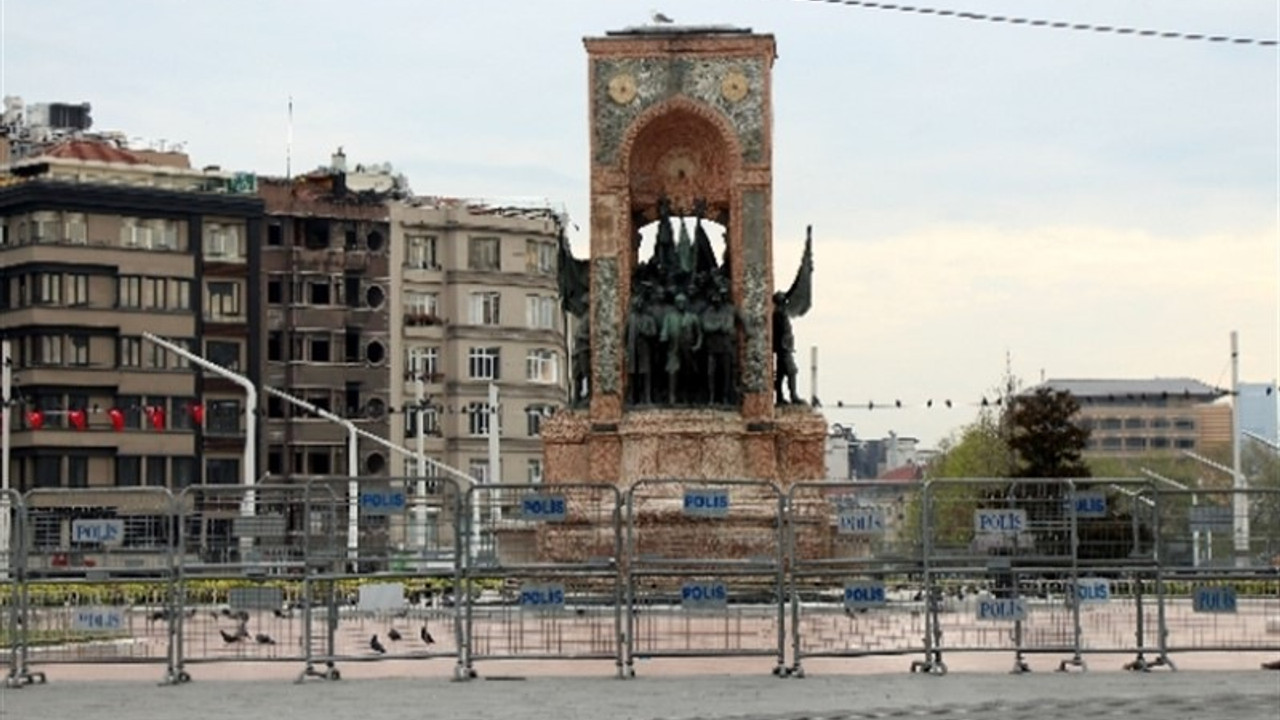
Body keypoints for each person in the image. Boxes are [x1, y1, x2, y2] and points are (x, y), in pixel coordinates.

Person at [659, 293, 702, 405]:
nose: (680, 304)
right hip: (674, 347)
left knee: (688, 373)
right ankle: (672, 396)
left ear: (686, 303)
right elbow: (664, 330)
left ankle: (687, 397)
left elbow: (699, 334)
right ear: (675, 303)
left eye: (683, 302)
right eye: (678, 302)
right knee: (672, 371)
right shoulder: (669, 317)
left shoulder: (692, 317)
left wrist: (697, 345)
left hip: (688, 348)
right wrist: (664, 337)